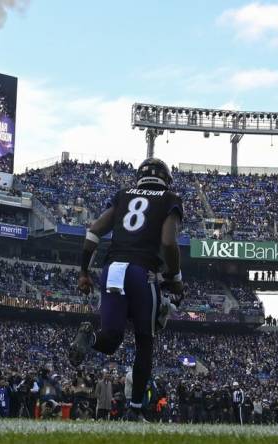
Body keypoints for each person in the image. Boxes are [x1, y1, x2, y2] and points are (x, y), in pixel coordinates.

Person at [69, 158, 184, 422]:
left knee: (110, 339)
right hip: (142, 271)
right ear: (165, 179)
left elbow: (94, 231)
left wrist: (84, 272)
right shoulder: (169, 198)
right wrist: (174, 276)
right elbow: (168, 241)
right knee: (145, 342)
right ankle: (134, 410)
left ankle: (90, 340)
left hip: (113, 269)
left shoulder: (122, 196)